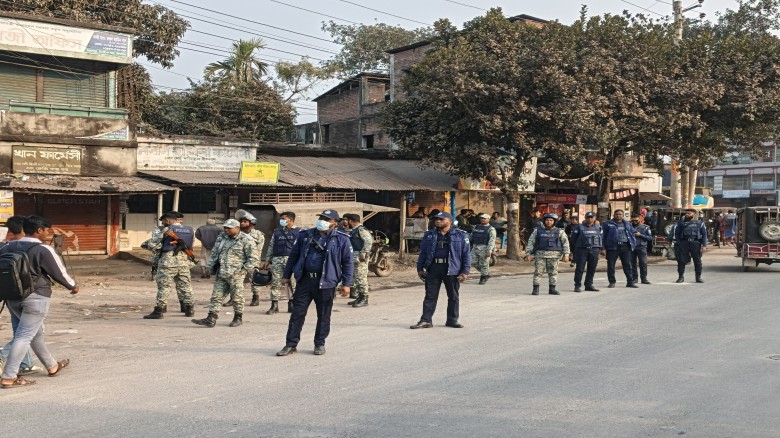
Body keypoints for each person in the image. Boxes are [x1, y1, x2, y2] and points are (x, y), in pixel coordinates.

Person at [0, 215, 78, 389]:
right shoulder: (42, 249)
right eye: (46, 230)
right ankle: (9, 377)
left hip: (12, 297)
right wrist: (73, 286)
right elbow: (58, 272)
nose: (47, 233)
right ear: (39, 230)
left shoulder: (7, 246)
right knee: (24, 336)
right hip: (36, 297)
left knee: (34, 334)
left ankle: (52, 366)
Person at [276, 210, 353, 356]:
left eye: (327, 219)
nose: (322, 221)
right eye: (321, 218)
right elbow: (293, 256)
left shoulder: (342, 239)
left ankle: (319, 343)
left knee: (323, 315)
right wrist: (286, 275)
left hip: (326, 282)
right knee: (297, 314)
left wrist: (346, 284)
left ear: (335, 223)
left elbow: (348, 263)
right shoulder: (305, 235)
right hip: (304, 281)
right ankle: (290, 344)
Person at [192, 219, 258, 328]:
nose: (226, 230)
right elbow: (215, 253)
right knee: (216, 296)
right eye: (225, 228)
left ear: (237, 228)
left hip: (236, 275)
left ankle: (238, 318)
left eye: (229, 228)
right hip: (222, 272)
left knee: (237, 297)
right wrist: (209, 268)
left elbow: (253, 259)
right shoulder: (222, 237)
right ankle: (211, 318)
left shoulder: (246, 239)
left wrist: (243, 271)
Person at [411, 211, 470, 329]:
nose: (438, 221)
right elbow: (423, 253)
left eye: (441, 219)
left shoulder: (461, 235)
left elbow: (466, 254)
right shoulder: (429, 235)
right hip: (434, 268)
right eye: (436, 219)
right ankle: (426, 320)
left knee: (453, 296)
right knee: (430, 296)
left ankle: (452, 320)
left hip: (452, 269)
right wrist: (420, 268)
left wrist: (465, 271)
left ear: (450, 221)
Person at [0, 216, 38, 376]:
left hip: (9, 294)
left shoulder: (5, 247)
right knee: (28, 332)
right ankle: (2, 354)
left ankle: (26, 362)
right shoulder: (28, 247)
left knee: (19, 329)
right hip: (27, 295)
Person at [143, 211, 195, 319]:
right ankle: (189, 309)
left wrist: (151, 247)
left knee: (164, 286)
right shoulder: (190, 230)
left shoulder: (166, 230)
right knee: (186, 286)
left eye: (163, 221)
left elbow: (153, 244)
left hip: (168, 261)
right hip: (184, 261)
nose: (163, 223)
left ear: (167, 220)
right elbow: (190, 245)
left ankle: (159, 311)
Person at [261, 211, 300, 315]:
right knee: (275, 283)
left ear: (290, 220)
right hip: (277, 259)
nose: (281, 221)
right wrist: (267, 260)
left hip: (292, 260)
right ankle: (274, 305)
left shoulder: (299, 232)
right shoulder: (277, 232)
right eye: (281, 219)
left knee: (293, 283)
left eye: (283, 219)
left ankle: (292, 304)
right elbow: (271, 246)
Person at [524, 213, 570, 295]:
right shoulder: (537, 231)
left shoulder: (560, 231)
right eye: (547, 220)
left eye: (551, 220)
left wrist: (566, 254)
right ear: (544, 221)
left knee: (553, 272)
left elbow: (565, 243)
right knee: (538, 272)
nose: (549, 222)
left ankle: (552, 289)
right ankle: (535, 289)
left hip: (554, 256)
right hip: (540, 255)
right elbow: (531, 242)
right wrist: (528, 253)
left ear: (554, 221)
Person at [342, 213, 373, 308]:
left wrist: (363, 253)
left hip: (361, 258)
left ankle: (364, 299)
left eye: (348, 221)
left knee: (361, 278)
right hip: (355, 258)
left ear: (351, 221)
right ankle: (359, 297)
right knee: (356, 278)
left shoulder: (361, 230)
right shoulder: (355, 230)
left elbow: (368, 241)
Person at [602, 210, 638, 288]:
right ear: (614, 215)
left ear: (623, 215)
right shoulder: (607, 224)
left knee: (627, 265)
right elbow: (603, 236)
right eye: (617, 214)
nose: (618, 215)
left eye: (620, 214)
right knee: (611, 265)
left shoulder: (627, 224)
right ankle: (612, 282)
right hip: (612, 247)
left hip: (625, 246)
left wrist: (633, 242)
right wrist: (603, 248)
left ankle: (630, 282)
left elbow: (633, 232)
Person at [236, 213, 265, 307]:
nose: (242, 223)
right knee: (236, 280)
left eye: (245, 222)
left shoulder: (258, 234)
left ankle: (255, 297)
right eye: (241, 222)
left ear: (252, 223)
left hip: (252, 261)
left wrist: (253, 260)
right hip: (239, 260)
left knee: (254, 280)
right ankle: (234, 298)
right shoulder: (237, 234)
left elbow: (258, 250)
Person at [570, 212, 602, 292]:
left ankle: (589, 285)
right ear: (585, 218)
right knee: (580, 269)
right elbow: (573, 240)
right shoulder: (579, 227)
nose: (590, 219)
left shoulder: (598, 227)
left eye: (591, 217)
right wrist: (575, 250)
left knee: (592, 268)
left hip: (594, 250)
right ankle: (577, 286)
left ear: (595, 218)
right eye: (588, 217)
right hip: (582, 250)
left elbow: (601, 238)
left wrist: (601, 249)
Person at [675, 208, 707, 283]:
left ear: (694, 214)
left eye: (689, 213)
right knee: (681, 261)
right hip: (684, 243)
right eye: (686, 213)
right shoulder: (681, 223)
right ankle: (680, 277)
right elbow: (677, 234)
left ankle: (698, 277)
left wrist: (704, 245)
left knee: (697, 261)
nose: (687, 214)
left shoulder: (700, 223)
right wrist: (679, 243)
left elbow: (704, 234)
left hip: (695, 243)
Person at [470, 213, 496, 285]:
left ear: (488, 219)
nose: (483, 219)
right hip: (475, 247)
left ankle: (483, 277)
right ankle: (486, 274)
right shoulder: (476, 227)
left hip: (484, 248)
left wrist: (489, 251)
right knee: (473, 262)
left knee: (484, 264)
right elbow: (471, 236)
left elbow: (492, 241)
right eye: (481, 218)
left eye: (484, 218)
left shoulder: (491, 229)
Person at [630, 213, 653, 285]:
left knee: (643, 263)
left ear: (639, 219)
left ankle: (644, 278)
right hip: (631, 247)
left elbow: (650, 238)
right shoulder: (628, 226)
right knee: (632, 263)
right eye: (633, 220)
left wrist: (640, 235)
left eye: (636, 220)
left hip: (641, 247)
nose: (634, 221)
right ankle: (634, 278)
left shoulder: (645, 227)